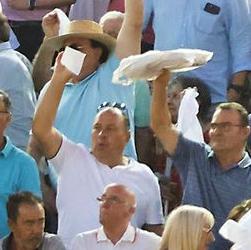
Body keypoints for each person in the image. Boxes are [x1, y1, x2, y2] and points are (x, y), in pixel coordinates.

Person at [32, 53, 163, 240]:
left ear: (127, 136)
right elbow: (41, 129)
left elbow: (155, 232)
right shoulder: (72, 158)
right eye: (97, 128)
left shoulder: (145, 176)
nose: (102, 135)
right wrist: (58, 80)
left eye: (110, 129)